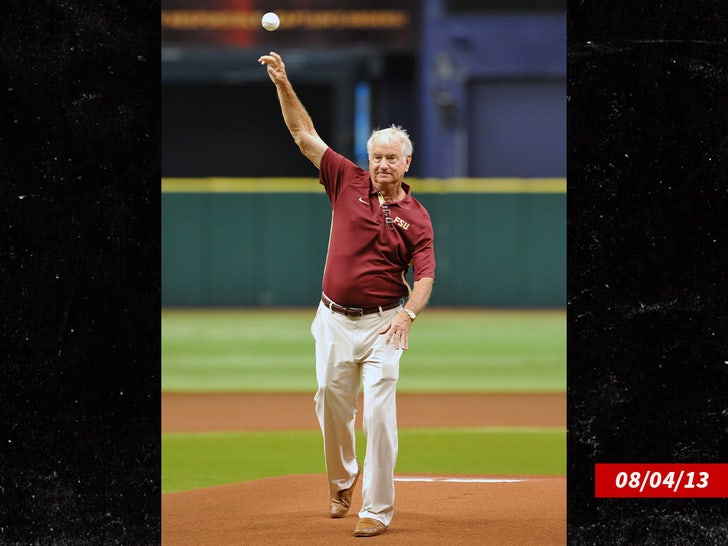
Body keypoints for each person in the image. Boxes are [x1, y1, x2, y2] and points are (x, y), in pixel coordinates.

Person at [258, 51, 435, 538]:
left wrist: (408, 317)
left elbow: (424, 277)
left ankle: (376, 511)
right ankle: (342, 480)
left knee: (378, 415)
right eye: (376, 155)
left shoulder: (417, 219)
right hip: (333, 319)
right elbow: (303, 135)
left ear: (406, 163)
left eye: (390, 158)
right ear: (369, 157)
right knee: (331, 406)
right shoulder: (345, 179)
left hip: (384, 324)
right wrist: (282, 84)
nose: (381, 164)